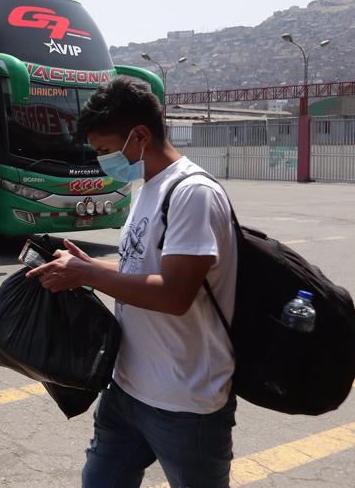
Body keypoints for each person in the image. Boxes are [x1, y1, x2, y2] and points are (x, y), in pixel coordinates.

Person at [27, 77, 237, 488]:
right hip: (126, 389)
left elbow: (175, 294)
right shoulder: (146, 190)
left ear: (140, 135)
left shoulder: (192, 193)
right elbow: (139, 270)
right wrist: (87, 266)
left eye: (105, 150)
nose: (103, 161)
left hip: (184, 401)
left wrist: (87, 274)